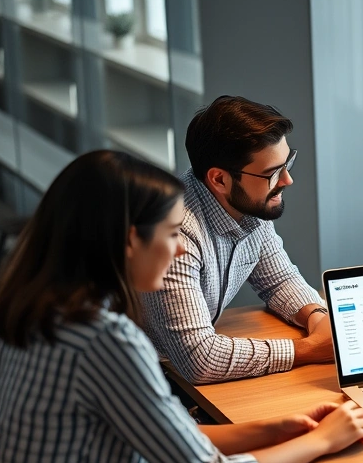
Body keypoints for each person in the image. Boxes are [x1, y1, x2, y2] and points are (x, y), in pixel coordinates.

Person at [0, 150, 363, 463]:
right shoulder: (108, 341)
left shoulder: (18, 312)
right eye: (171, 234)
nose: (182, 250)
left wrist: (282, 427)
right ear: (131, 240)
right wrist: (322, 440)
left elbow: (172, 434)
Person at [141, 96, 332, 384]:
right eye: (272, 173)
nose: (287, 180)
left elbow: (278, 279)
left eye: (287, 163)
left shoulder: (247, 205)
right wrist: (309, 349)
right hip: (145, 377)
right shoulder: (174, 234)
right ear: (219, 179)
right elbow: (200, 359)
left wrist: (317, 317)